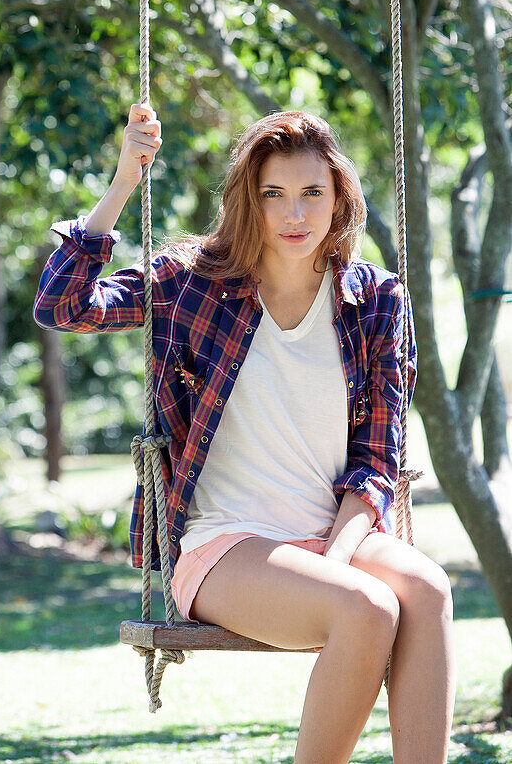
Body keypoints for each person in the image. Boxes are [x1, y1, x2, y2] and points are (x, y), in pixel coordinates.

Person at [34, 103, 455, 764]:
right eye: (274, 195)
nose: (295, 214)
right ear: (247, 202)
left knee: (426, 588)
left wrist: (334, 560)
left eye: (313, 193)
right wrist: (122, 183)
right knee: (367, 610)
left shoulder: (377, 301)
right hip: (227, 542)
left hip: (335, 533)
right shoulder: (192, 284)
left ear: (340, 196)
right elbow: (64, 304)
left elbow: (378, 459)